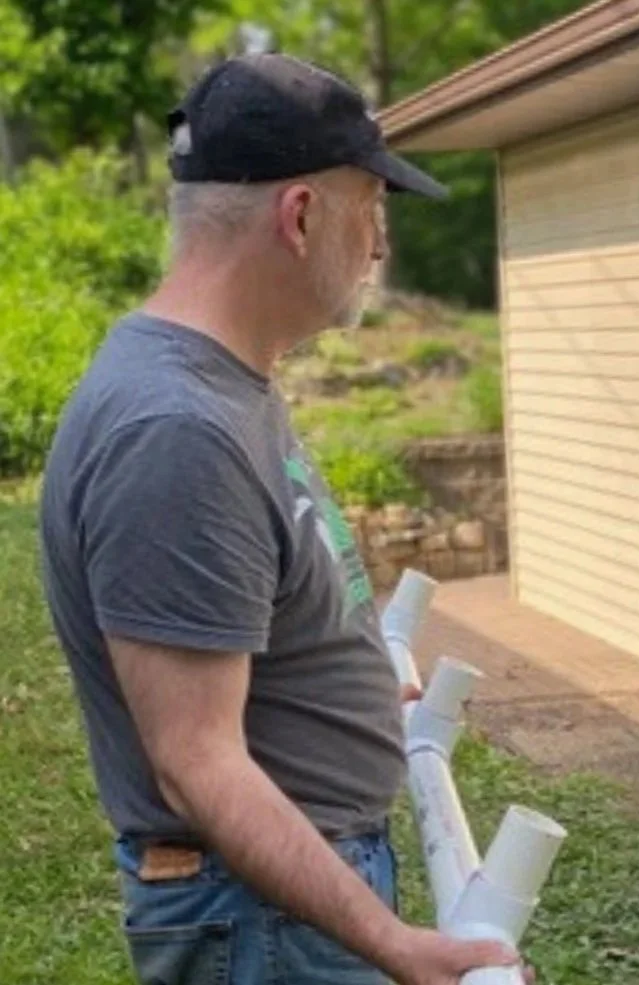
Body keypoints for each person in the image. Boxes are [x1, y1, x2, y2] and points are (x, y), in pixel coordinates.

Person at [39, 53, 526, 985]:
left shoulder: (228, 388)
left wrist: (346, 698)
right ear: (301, 217)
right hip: (259, 918)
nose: (380, 247)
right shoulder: (176, 429)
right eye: (372, 209)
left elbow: (262, 611)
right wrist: (395, 946)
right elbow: (196, 762)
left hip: (279, 898)